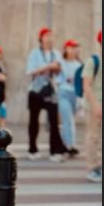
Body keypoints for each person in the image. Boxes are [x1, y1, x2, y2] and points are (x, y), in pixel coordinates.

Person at [26, 27, 68, 161]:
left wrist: (57, 68)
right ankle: (32, 149)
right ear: (41, 38)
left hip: (51, 90)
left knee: (54, 121)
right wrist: (47, 67)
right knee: (34, 120)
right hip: (36, 90)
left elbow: (62, 72)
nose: (49, 38)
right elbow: (30, 71)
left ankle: (54, 151)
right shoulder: (34, 53)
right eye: (47, 36)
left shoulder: (56, 53)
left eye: (51, 36)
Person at [57, 39, 81, 157]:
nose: (73, 50)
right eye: (71, 47)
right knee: (67, 119)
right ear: (66, 49)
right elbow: (56, 78)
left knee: (71, 120)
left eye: (75, 47)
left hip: (75, 95)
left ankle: (69, 144)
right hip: (63, 92)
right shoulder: (60, 63)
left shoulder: (79, 64)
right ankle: (68, 145)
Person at [83, 30, 102, 182]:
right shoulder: (93, 61)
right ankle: (92, 168)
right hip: (94, 105)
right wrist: (95, 105)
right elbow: (87, 85)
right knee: (93, 136)